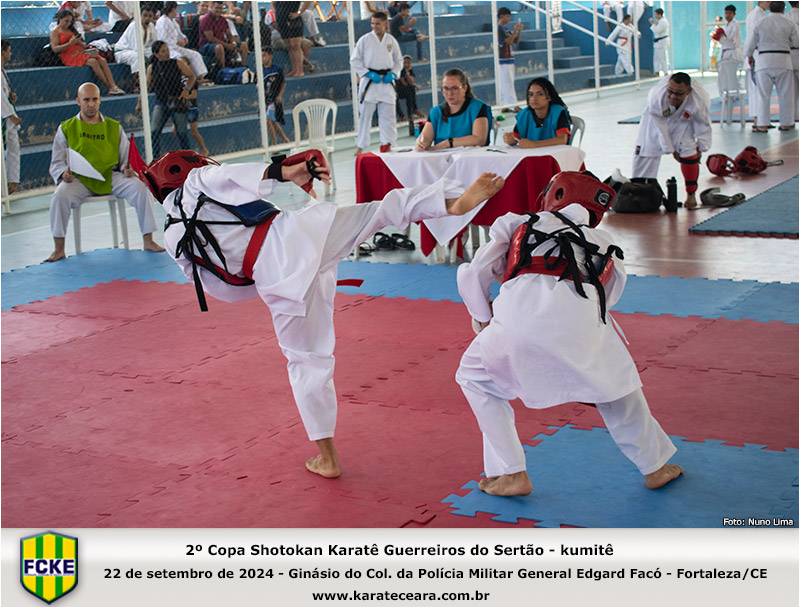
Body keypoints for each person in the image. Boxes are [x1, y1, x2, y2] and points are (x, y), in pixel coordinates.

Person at [138, 147, 504, 478]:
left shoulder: (172, 237)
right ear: (187, 168)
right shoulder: (198, 181)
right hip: (299, 238)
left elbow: (220, 287)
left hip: (276, 283)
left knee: (306, 362)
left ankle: (327, 457)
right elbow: (236, 174)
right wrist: (285, 170)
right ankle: (451, 204)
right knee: (380, 210)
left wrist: (270, 280)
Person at [455, 171, 684, 497]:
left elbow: (473, 274)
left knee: (474, 378)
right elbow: (609, 296)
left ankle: (510, 472)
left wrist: (482, 319)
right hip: (582, 325)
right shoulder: (603, 240)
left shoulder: (518, 224)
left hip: (516, 323)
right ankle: (655, 466)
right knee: (619, 387)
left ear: (552, 195)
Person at [46, 82, 164, 262]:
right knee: (59, 196)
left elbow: (126, 158)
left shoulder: (113, 127)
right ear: (78, 101)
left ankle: (148, 240)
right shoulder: (67, 128)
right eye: (86, 100)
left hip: (111, 176)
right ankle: (59, 249)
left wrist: (127, 169)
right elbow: (56, 162)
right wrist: (63, 174)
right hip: (79, 180)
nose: (91, 104)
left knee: (140, 188)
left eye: (94, 99)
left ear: (100, 100)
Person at [632, 72, 711, 209]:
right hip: (655, 121)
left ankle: (691, 194)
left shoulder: (699, 100)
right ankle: (641, 194)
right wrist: (671, 149)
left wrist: (701, 147)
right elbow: (661, 127)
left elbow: (703, 125)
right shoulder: (656, 97)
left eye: (679, 93)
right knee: (647, 148)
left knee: (689, 151)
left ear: (688, 91)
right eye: (670, 91)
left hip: (684, 121)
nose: (673, 96)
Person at [351, 11, 402, 155]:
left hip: (386, 81)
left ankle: (389, 144)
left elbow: (399, 61)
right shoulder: (365, 40)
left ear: (385, 23)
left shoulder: (391, 40)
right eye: (372, 23)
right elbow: (354, 60)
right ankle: (361, 145)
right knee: (365, 116)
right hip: (370, 81)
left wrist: (393, 73)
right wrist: (367, 73)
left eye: (377, 23)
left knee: (389, 117)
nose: (374, 26)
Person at [745, 1, 798, 131]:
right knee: (785, 95)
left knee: (763, 95)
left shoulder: (760, 22)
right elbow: (797, 43)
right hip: (783, 60)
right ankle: (786, 123)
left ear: (770, 9)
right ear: (783, 9)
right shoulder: (789, 23)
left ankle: (762, 124)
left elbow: (750, 44)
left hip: (764, 60)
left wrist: (749, 55)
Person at [136, 40, 194, 157]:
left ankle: (188, 157)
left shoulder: (177, 63)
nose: (167, 53)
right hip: (161, 102)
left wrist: (186, 90)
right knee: (154, 130)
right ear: (156, 54)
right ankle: (155, 157)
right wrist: (139, 103)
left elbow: (191, 76)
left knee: (181, 132)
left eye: (167, 50)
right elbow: (146, 87)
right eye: (163, 51)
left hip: (177, 100)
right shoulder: (152, 68)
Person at [49, 10, 125, 95]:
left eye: (70, 21)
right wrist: (69, 43)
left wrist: (78, 42)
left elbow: (84, 45)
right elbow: (55, 49)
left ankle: (114, 86)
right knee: (93, 62)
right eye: (66, 21)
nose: (68, 24)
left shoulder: (71, 30)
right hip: (69, 54)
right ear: (60, 19)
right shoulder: (55, 32)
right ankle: (109, 87)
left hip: (80, 51)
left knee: (102, 60)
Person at [414, 69, 491, 151]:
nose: (449, 93)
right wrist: (421, 143)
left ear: (464, 88)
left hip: (471, 156)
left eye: (454, 88)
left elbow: (480, 139)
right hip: (442, 156)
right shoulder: (436, 112)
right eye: (445, 88)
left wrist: (448, 143)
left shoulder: (477, 108)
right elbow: (425, 137)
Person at [503, 77, 571, 149]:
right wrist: (510, 139)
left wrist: (534, 144)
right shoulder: (524, 115)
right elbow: (515, 138)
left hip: (555, 154)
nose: (534, 98)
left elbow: (562, 140)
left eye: (540, 94)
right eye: (531, 94)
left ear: (549, 97)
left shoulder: (557, 112)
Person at [156, 1, 211, 86]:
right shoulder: (162, 21)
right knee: (180, 57)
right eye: (176, 9)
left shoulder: (173, 21)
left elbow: (179, 34)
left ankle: (200, 78)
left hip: (176, 47)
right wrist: (177, 42)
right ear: (173, 9)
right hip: (168, 49)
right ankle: (188, 80)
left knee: (195, 55)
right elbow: (163, 39)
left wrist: (184, 38)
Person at [114, 5, 158, 93]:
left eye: (150, 16)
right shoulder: (134, 26)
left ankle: (155, 83)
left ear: (153, 17)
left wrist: (155, 52)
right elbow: (136, 48)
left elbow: (155, 44)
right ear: (140, 15)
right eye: (145, 15)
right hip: (123, 51)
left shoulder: (151, 26)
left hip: (140, 50)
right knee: (138, 56)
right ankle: (137, 86)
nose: (147, 18)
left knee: (157, 53)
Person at [200, 1, 250, 71]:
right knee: (219, 47)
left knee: (243, 45)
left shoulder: (223, 20)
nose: (218, 10)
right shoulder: (206, 19)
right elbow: (211, 38)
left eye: (220, 8)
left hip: (223, 43)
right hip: (207, 45)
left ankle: (243, 68)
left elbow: (229, 34)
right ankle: (223, 71)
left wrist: (233, 44)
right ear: (211, 8)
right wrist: (227, 45)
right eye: (216, 8)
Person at [744, 2, 771, 130]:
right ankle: (758, 120)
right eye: (768, 1)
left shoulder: (753, 14)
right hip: (755, 55)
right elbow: (754, 38)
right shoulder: (759, 16)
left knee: (758, 90)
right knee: (757, 90)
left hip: (755, 55)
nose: (770, 3)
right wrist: (750, 55)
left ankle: (761, 119)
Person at [2, 39, 22, 194]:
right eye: (9, 50)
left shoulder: (2, 70)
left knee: (14, 146)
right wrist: (11, 115)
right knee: (3, 148)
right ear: (2, 52)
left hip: (7, 112)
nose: (11, 53)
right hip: (4, 116)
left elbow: (3, 94)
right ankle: (3, 187)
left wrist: (10, 95)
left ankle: (12, 182)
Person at [496, 7, 523, 111]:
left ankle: (505, 105)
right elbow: (508, 41)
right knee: (507, 83)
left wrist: (518, 32)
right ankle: (513, 104)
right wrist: (515, 30)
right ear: (501, 16)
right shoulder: (498, 30)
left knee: (507, 82)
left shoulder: (506, 30)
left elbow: (515, 41)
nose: (508, 19)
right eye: (507, 16)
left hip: (509, 59)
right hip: (503, 60)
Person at [261, 47, 290, 144]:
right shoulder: (260, 70)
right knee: (273, 122)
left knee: (268, 120)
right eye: (261, 56)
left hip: (274, 100)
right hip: (265, 100)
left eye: (264, 55)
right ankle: (286, 140)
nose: (262, 58)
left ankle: (274, 144)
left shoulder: (277, 69)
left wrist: (280, 95)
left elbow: (283, 83)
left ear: (270, 56)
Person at [272, 1, 307, 77]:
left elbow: (307, 2)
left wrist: (299, 13)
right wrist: (275, 12)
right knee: (289, 46)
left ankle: (300, 70)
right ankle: (294, 69)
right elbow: (273, 3)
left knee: (295, 45)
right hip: (282, 20)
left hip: (293, 20)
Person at [716, 5, 743, 98]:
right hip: (727, 51)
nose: (727, 15)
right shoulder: (727, 24)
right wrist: (719, 38)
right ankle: (730, 94)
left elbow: (731, 40)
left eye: (730, 13)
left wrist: (721, 37)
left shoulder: (735, 25)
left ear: (734, 14)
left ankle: (733, 94)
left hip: (731, 52)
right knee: (726, 74)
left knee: (728, 74)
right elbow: (725, 41)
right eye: (726, 13)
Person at [396, 55, 424, 121]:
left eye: (408, 63)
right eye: (405, 63)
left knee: (411, 90)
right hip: (397, 90)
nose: (407, 65)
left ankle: (411, 112)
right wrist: (413, 84)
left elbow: (411, 81)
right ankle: (402, 115)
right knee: (410, 88)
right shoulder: (400, 70)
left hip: (405, 90)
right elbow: (404, 83)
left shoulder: (410, 70)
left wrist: (408, 74)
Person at [648, 8, 670, 76]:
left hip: (662, 42)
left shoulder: (663, 22)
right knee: (656, 58)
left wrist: (652, 24)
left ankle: (665, 71)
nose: (655, 16)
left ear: (659, 14)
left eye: (656, 14)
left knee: (663, 57)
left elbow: (657, 31)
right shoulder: (660, 21)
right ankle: (657, 71)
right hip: (658, 42)